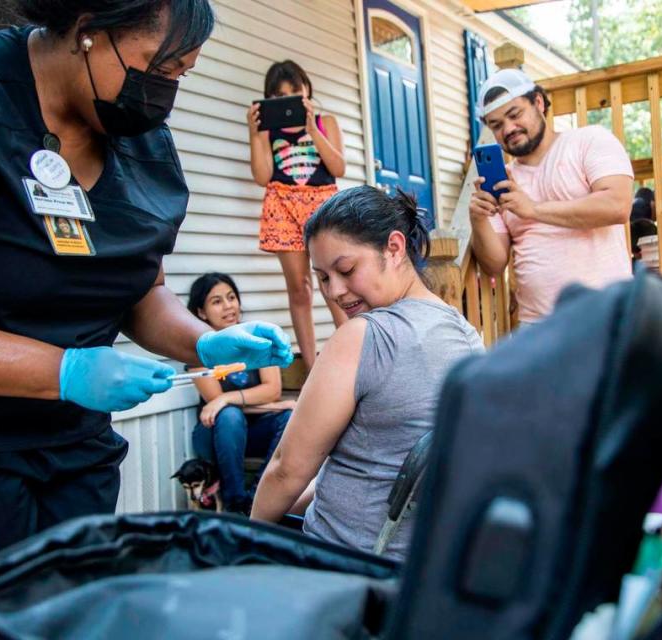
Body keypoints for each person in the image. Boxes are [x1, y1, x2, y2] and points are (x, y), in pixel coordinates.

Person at [0, 1, 293, 636]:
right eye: (159, 67)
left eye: (181, 75)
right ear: (87, 30)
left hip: (74, 457)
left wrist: (208, 342)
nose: (166, 94)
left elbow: (141, 293)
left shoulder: (142, 143)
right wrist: (62, 369)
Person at [251, 186, 484, 560]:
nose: (336, 291)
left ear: (393, 248)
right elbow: (382, 465)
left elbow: (286, 469)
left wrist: (247, 542)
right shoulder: (466, 335)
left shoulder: (363, 337)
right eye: (323, 278)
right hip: (419, 562)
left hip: (344, 563)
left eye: (346, 269)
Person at [469, 68, 634, 325]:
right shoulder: (504, 181)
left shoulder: (588, 140)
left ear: (538, 103)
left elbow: (617, 205)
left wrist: (533, 209)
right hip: (538, 331)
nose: (509, 129)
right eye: (496, 125)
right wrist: (478, 220)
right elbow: (495, 263)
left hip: (607, 320)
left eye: (515, 114)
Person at [248, 60, 348, 370]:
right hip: (283, 206)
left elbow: (338, 167)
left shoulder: (324, 121)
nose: (288, 98)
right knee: (300, 288)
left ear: (307, 90)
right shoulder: (267, 131)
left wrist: (310, 130)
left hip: (322, 205)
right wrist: (254, 135)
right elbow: (263, 176)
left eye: (295, 91)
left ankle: (354, 351)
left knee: (333, 282)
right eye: (278, 95)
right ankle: (311, 367)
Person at [187, 273, 295, 514]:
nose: (228, 306)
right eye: (216, 301)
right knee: (230, 415)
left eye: (231, 298)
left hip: (255, 432)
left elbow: (272, 389)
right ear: (202, 313)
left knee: (288, 419)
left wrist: (227, 398)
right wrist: (228, 402)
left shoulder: (256, 341)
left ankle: (258, 495)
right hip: (214, 434)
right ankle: (235, 501)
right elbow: (217, 406)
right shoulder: (198, 352)